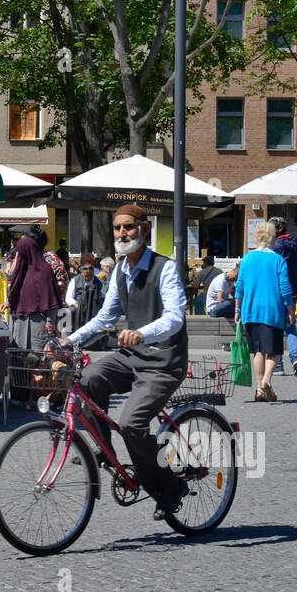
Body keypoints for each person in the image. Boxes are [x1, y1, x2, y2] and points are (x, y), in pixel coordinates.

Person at [57, 204, 191, 521]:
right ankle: (106, 452)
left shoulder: (166, 268)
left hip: (163, 360)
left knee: (132, 423)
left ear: (144, 229)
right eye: (117, 228)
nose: (122, 233)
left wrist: (142, 334)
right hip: (132, 355)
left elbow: (174, 317)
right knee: (89, 380)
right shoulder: (120, 269)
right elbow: (106, 317)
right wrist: (71, 339)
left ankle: (168, 486)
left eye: (128, 227)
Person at [235, 221, 294, 402]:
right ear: (272, 238)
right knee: (275, 351)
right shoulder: (278, 260)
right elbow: (285, 287)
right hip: (272, 311)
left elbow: (240, 286)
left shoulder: (247, 258)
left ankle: (260, 389)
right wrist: (290, 310)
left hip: (250, 311)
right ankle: (266, 381)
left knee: (258, 351)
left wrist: (238, 308)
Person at [6, 224, 62, 350]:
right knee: (19, 363)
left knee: (36, 364)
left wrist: (50, 326)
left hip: (38, 329)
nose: (19, 255)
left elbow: (51, 302)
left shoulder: (44, 271)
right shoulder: (21, 271)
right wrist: (8, 302)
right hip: (18, 326)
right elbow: (19, 292)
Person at [269, 217, 297, 376]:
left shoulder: (276, 245)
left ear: (279, 229)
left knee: (276, 327)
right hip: (294, 290)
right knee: (291, 326)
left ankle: (278, 366)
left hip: (277, 289)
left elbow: (273, 269)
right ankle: (295, 358)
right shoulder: (296, 244)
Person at [64, 261, 106, 347]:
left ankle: (98, 341)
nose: (87, 278)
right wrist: (78, 307)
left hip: (94, 306)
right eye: (85, 276)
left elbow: (104, 298)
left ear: (93, 273)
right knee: (68, 312)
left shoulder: (100, 282)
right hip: (78, 306)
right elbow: (68, 298)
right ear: (82, 273)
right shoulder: (75, 280)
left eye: (89, 276)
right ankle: (69, 339)